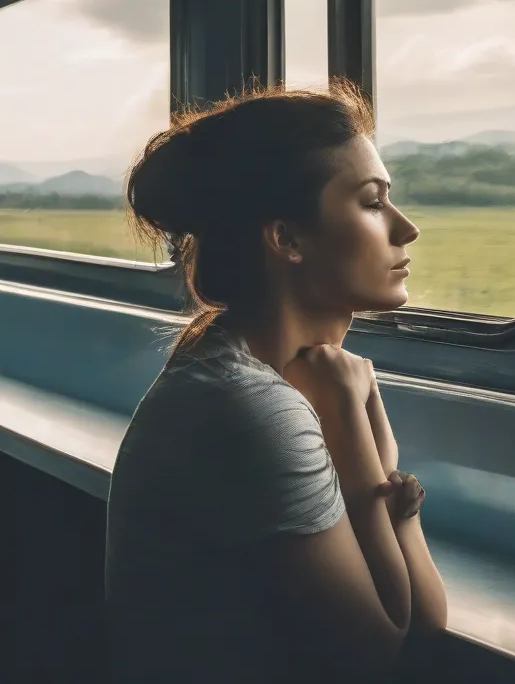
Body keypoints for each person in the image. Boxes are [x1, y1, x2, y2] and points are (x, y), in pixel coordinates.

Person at [105, 79, 447, 683]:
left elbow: (420, 629)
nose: (406, 228)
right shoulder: (252, 406)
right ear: (287, 238)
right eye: (372, 202)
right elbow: (387, 653)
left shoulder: (240, 367)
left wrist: (377, 477)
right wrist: (362, 450)